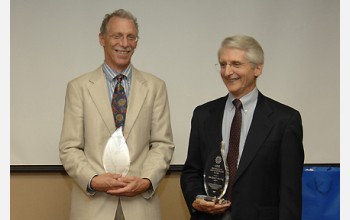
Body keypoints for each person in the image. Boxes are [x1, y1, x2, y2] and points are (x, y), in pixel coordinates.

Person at [59, 9, 174, 220]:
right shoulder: (79, 87)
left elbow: (162, 144)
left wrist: (146, 180)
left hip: (141, 207)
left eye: (131, 37)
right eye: (117, 36)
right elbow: (69, 147)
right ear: (102, 39)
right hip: (92, 207)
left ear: (137, 42)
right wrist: (92, 179)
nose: (125, 43)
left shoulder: (155, 87)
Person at [180, 35, 304, 220]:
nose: (228, 72)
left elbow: (289, 191)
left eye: (236, 64)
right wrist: (197, 198)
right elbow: (192, 171)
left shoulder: (285, 120)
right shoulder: (203, 114)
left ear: (258, 68)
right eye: (223, 64)